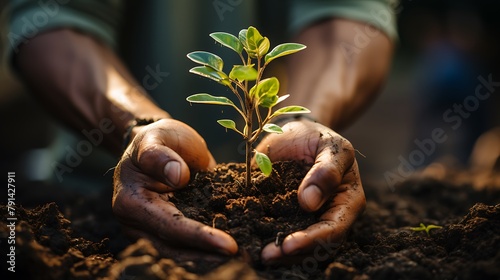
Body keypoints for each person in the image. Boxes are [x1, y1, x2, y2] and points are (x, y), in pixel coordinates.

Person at [4, 0, 396, 264]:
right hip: (97, 199)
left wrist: (309, 119)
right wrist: (138, 127)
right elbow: (51, 20)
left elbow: (348, 14)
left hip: (284, 196)